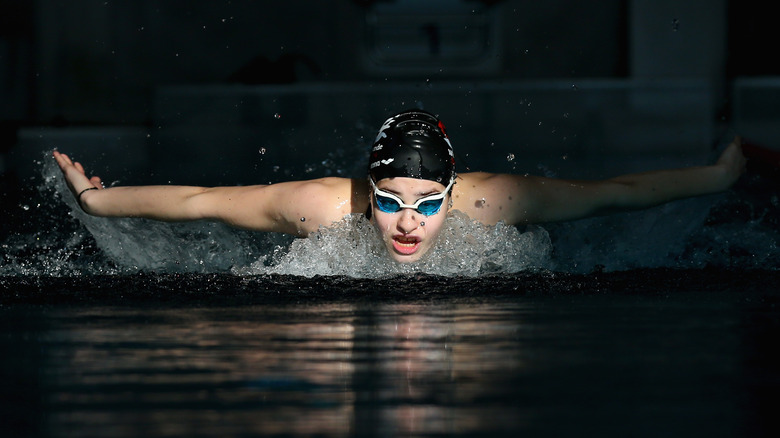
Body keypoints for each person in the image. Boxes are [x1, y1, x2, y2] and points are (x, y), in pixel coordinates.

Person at [53, 109, 746, 264]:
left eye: (426, 203)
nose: (408, 223)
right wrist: (95, 201)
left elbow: (619, 191)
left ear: (454, 193)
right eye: (388, 202)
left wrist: (716, 177)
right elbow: (201, 201)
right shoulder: (324, 206)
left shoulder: (493, 201)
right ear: (368, 189)